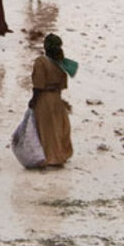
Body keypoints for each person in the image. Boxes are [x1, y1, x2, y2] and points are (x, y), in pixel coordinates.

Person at [27, 33, 78, 167]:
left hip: (44, 98)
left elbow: (38, 85)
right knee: (59, 127)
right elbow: (63, 84)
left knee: (47, 129)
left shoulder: (41, 62)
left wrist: (33, 100)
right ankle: (62, 154)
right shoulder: (62, 64)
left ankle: (51, 157)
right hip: (57, 98)